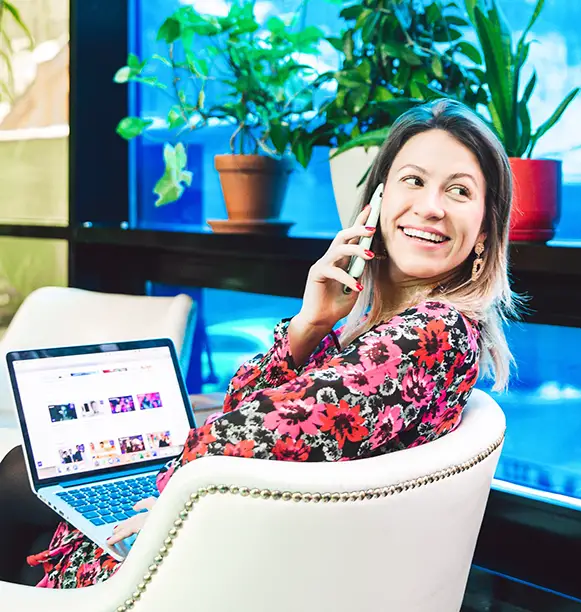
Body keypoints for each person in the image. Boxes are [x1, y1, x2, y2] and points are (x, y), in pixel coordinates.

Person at [0, 98, 520, 588]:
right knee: (23, 475)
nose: (430, 207)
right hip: (241, 537)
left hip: (224, 559)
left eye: (459, 190)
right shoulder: (385, 330)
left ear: (483, 229)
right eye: (413, 180)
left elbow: (264, 429)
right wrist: (310, 324)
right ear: (378, 203)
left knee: (20, 493)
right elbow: (249, 410)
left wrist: (162, 490)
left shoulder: (433, 332)